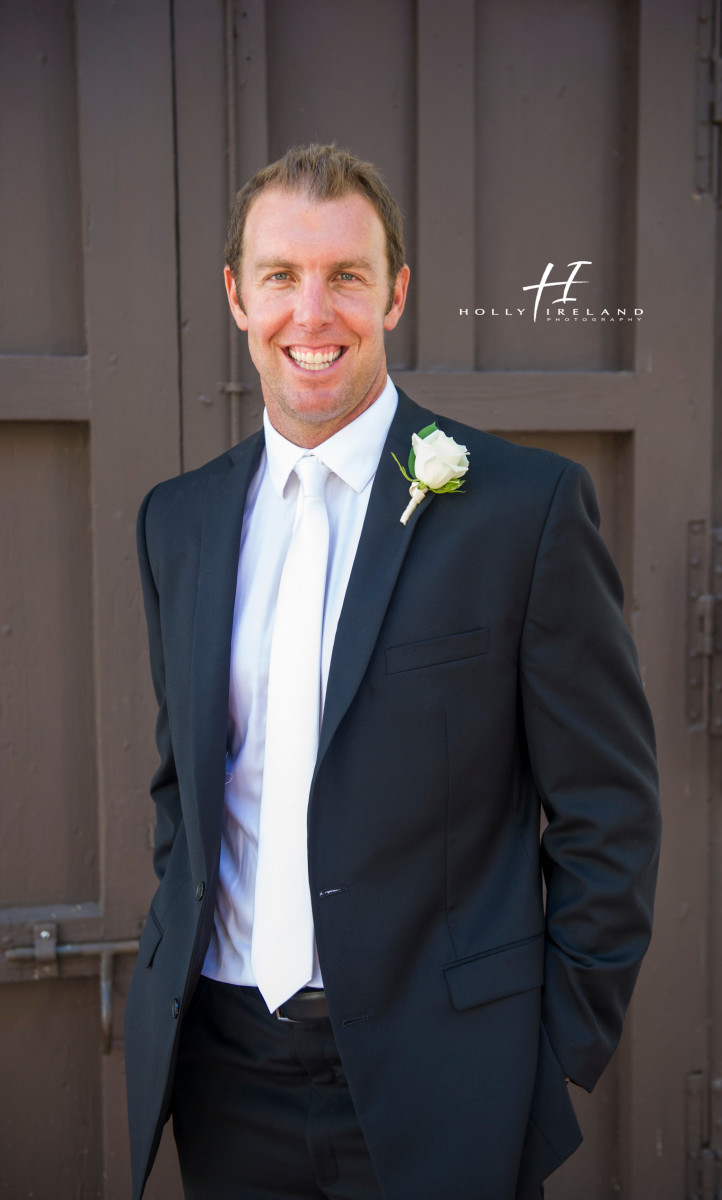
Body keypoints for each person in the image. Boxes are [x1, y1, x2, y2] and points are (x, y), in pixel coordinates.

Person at [124, 143, 660, 1200]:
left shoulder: (522, 509)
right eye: (281, 276)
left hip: (446, 1079)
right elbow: (186, 786)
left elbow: (609, 810)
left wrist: (547, 1054)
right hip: (225, 1068)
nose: (311, 313)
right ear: (237, 296)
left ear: (396, 293)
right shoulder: (176, 520)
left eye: (346, 277)